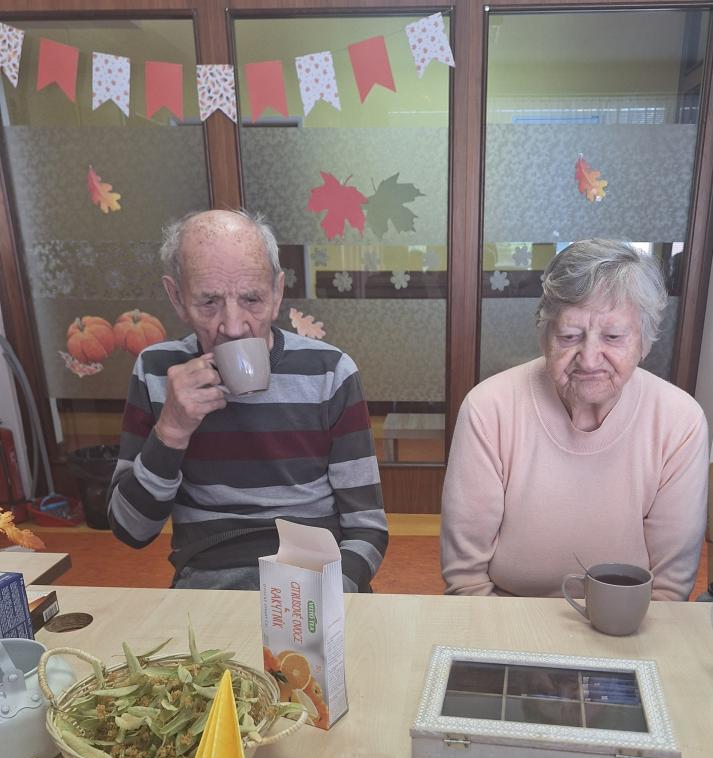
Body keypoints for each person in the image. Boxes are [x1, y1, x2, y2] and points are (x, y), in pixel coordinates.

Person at [108, 208, 388, 592]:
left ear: (277, 293)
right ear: (177, 298)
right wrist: (171, 430)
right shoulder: (157, 371)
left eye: (252, 299)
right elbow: (131, 530)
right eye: (209, 302)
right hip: (208, 576)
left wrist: (331, 594)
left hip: (318, 575)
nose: (234, 326)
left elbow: (367, 526)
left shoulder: (330, 372)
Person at [441, 238, 708, 600]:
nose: (589, 358)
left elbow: (668, 590)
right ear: (545, 338)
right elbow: (467, 580)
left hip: (631, 619)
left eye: (613, 336)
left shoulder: (680, 422)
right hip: (503, 611)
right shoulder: (489, 408)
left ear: (643, 342)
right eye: (569, 336)